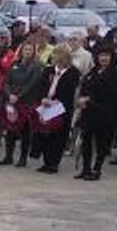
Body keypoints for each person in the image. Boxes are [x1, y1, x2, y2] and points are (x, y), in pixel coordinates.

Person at [29, 44, 79, 175]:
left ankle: (53, 163)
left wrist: (54, 102)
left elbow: (68, 92)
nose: (56, 57)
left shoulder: (73, 72)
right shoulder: (49, 70)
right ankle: (46, 162)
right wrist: (43, 98)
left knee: (58, 136)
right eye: (55, 54)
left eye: (59, 54)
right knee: (44, 133)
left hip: (61, 108)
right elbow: (41, 86)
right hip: (46, 106)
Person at [75, 47, 117, 181]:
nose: (103, 58)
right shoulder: (92, 71)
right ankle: (86, 168)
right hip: (88, 112)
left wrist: (89, 99)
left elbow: (113, 94)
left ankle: (97, 169)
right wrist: (81, 99)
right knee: (86, 142)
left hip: (104, 113)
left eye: (106, 55)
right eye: (101, 55)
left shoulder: (116, 74)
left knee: (101, 143)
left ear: (111, 57)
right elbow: (84, 87)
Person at [0, 42, 42, 167]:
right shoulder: (14, 65)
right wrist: (10, 94)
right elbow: (7, 82)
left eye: (30, 49)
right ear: (21, 51)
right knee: (10, 130)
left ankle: (23, 158)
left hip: (26, 102)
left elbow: (32, 84)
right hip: (12, 102)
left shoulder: (37, 66)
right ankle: (8, 156)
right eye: (25, 49)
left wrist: (18, 96)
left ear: (33, 52)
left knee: (25, 131)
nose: (27, 52)